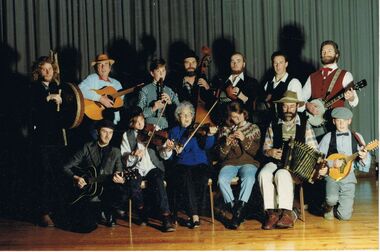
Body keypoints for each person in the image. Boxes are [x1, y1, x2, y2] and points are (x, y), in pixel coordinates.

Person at [258, 91, 325, 230]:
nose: (288, 110)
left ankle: (287, 213)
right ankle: (272, 213)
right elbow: (265, 148)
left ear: (297, 107)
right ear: (280, 107)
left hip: (295, 169)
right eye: (285, 106)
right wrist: (270, 152)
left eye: (292, 106)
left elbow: (315, 151)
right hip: (275, 162)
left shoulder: (305, 125)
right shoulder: (273, 124)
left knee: (281, 174)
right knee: (263, 174)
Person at [161, 101, 217, 228]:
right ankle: (194, 215)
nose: (186, 118)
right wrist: (172, 150)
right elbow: (169, 158)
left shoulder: (199, 129)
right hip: (182, 164)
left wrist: (210, 135)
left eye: (189, 115)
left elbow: (207, 146)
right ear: (178, 116)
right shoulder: (173, 132)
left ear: (192, 117)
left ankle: (194, 213)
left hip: (200, 163)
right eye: (183, 115)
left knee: (200, 177)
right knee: (185, 176)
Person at [120, 106, 176, 232]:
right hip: (136, 168)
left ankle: (166, 218)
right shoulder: (126, 135)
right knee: (133, 185)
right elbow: (125, 159)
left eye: (142, 120)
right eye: (137, 122)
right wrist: (132, 155)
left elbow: (163, 155)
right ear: (131, 123)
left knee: (158, 181)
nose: (141, 124)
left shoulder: (153, 129)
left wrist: (167, 148)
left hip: (152, 166)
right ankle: (141, 212)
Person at [63, 120, 124, 232]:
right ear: (97, 132)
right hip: (88, 192)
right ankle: (96, 212)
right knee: (86, 227)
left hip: (108, 191)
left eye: (110, 132)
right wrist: (75, 177)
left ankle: (108, 212)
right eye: (104, 131)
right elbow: (65, 167)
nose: (107, 136)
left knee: (119, 190)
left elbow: (119, 172)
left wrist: (120, 178)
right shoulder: (87, 147)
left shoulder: (115, 151)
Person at [30, 55, 66, 227]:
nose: (48, 72)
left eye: (50, 69)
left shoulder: (56, 86)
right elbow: (31, 110)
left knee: (56, 173)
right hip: (41, 139)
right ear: (38, 71)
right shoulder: (34, 88)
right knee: (43, 175)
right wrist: (48, 98)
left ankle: (55, 209)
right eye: (44, 69)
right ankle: (43, 212)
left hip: (56, 138)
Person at [318, 107, 371, 221]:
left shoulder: (357, 137)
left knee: (344, 217)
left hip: (349, 175)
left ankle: (340, 206)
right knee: (331, 199)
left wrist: (364, 156)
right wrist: (332, 163)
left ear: (349, 121)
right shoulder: (328, 137)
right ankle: (328, 206)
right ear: (333, 121)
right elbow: (318, 158)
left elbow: (365, 163)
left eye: (344, 120)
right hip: (332, 175)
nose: (341, 124)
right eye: (338, 120)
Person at [216, 101, 261, 229]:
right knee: (222, 180)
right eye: (232, 117)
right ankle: (237, 212)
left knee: (249, 178)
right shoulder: (224, 129)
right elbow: (220, 156)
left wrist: (243, 139)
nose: (235, 120)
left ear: (244, 113)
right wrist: (226, 143)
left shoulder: (254, 128)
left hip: (248, 162)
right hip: (229, 163)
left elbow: (255, 152)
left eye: (237, 117)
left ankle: (237, 213)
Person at [302, 40, 358, 138]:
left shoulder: (345, 75)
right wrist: (308, 105)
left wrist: (351, 97)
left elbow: (355, 102)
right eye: (323, 51)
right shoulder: (312, 76)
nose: (326, 53)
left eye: (329, 51)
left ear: (336, 55)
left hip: (336, 124)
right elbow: (300, 99)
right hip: (315, 125)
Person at [78, 54, 123, 138]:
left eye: (106, 64)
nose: (103, 67)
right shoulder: (92, 78)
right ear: (96, 68)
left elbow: (120, 103)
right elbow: (79, 90)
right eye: (100, 65)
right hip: (95, 121)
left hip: (113, 122)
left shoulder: (117, 84)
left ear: (110, 68)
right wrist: (100, 98)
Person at [257, 51, 304, 131]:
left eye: (281, 62)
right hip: (270, 125)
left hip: (288, 125)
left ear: (286, 64)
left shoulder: (293, 82)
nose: (278, 66)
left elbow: (300, 108)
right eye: (275, 63)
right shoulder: (268, 83)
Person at [137, 58, 180, 130]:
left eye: (163, 71)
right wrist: (153, 108)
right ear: (152, 73)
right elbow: (139, 114)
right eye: (158, 71)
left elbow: (179, 112)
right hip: (150, 128)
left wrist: (170, 103)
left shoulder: (170, 90)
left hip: (167, 127)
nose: (161, 74)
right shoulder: (145, 90)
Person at [217, 52, 259, 122]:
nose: (235, 64)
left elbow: (253, 107)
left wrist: (240, 95)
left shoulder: (252, 82)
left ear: (243, 64)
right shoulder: (221, 80)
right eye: (232, 61)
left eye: (238, 61)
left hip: (243, 123)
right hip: (223, 122)